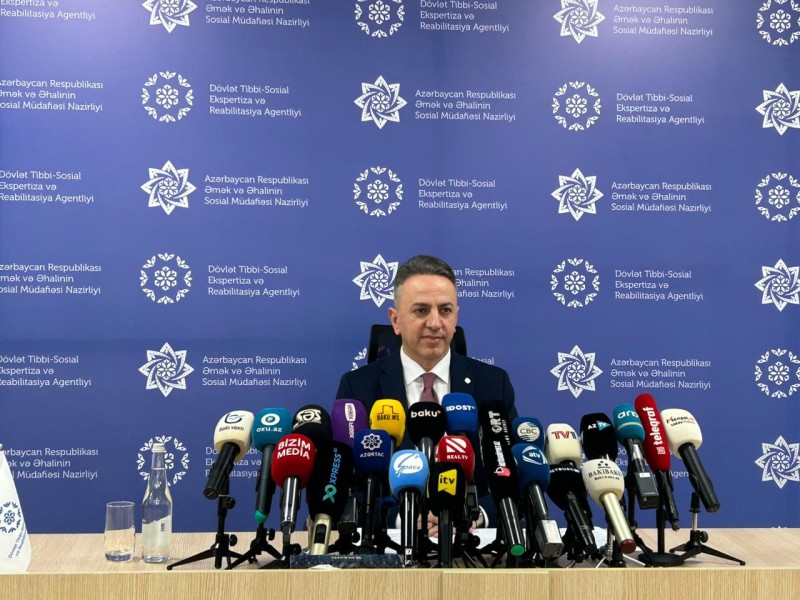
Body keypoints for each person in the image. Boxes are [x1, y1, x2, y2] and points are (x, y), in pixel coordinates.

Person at [336, 254, 518, 531]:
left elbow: (515, 480)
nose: (435, 322)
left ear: (456, 317)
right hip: (393, 545)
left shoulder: (493, 384)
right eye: (421, 310)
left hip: (471, 544)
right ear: (395, 320)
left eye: (445, 310)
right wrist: (404, 518)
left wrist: (475, 515)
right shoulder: (358, 387)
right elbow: (344, 489)